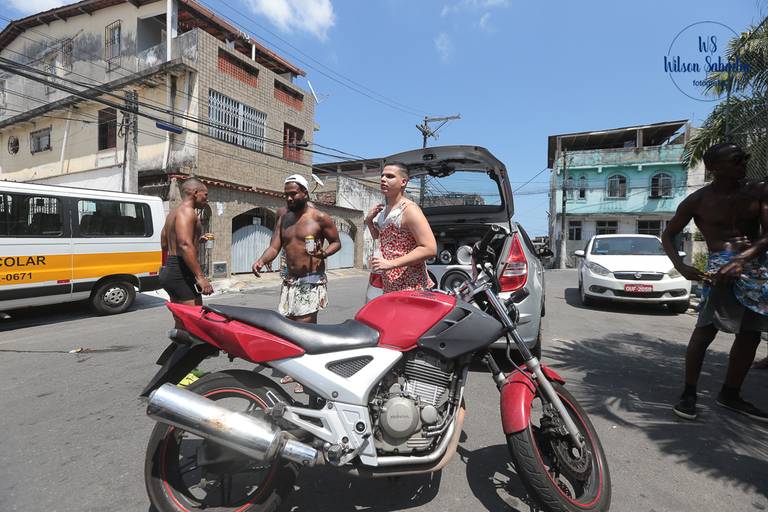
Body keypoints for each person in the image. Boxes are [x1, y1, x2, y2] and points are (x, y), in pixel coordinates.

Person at [662, 143, 768, 422]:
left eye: (744, 158)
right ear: (714, 167)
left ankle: (730, 394)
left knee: (750, 335)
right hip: (719, 270)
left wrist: (742, 259)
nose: (743, 163)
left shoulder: (757, 190)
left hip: (754, 266)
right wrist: (681, 266)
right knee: (705, 331)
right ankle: (689, 394)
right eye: (736, 159)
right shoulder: (698, 200)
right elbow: (668, 234)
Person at [252, 174, 341, 324]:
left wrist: (324, 253)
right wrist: (261, 261)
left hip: (311, 279)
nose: (289, 198)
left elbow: (336, 242)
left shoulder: (319, 217)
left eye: (293, 194)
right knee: (290, 325)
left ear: (305, 193)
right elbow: (274, 247)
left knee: (304, 327)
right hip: (290, 279)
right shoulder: (282, 215)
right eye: (286, 195)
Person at [365, 162, 437, 292]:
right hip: (391, 287)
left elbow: (430, 248)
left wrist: (391, 263)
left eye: (390, 176)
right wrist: (369, 221)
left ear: (403, 182)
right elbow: (381, 238)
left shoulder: (409, 210)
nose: (383, 179)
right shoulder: (385, 210)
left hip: (411, 288)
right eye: (382, 176)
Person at [159, 177, 214, 306]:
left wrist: (196, 241)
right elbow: (184, 244)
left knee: (181, 315)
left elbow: (164, 244)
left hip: (171, 270)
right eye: (205, 195)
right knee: (194, 315)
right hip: (181, 272)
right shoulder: (187, 212)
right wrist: (200, 277)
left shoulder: (172, 214)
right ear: (195, 193)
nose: (207, 199)